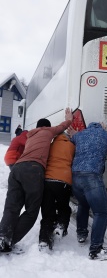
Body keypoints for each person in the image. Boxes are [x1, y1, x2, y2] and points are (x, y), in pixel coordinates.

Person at [0, 108, 73, 252]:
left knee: (11, 207)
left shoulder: (30, 135)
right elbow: (62, 127)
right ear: (46, 126)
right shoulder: (48, 131)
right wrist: (69, 119)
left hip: (17, 169)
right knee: (32, 211)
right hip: (34, 169)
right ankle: (10, 241)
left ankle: (2, 237)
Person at [68, 122, 107, 259]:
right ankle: (96, 249)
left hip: (76, 176)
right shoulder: (104, 134)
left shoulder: (80, 134)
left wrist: (76, 134)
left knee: (83, 204)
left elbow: (72, 139)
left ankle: (81, 234)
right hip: (92, 176)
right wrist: (104, 131)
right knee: (101, 212)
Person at [38, 133, 75, 250]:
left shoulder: (51, 145)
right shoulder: (72, 146)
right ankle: (60, 225)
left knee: (48, 210)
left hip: (48, 180)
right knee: (63, 207)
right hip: (64, 181)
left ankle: (44, 240)